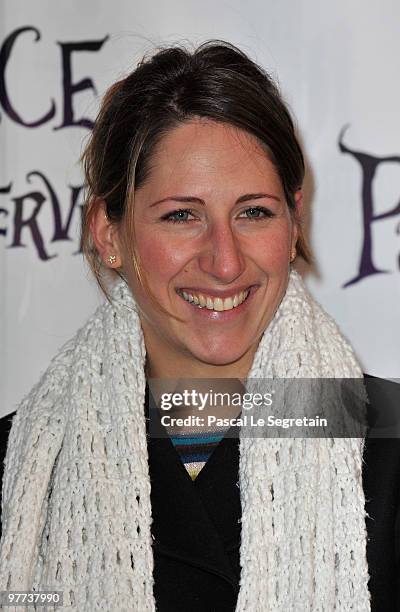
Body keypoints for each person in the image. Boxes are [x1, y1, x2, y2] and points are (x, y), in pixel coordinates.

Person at [0, 39, 399, 612]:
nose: (226, 261)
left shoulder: (387, 448)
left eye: (254, 212)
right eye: (182, 215)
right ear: (109, 233)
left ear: (293, 221)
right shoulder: (23, 468)